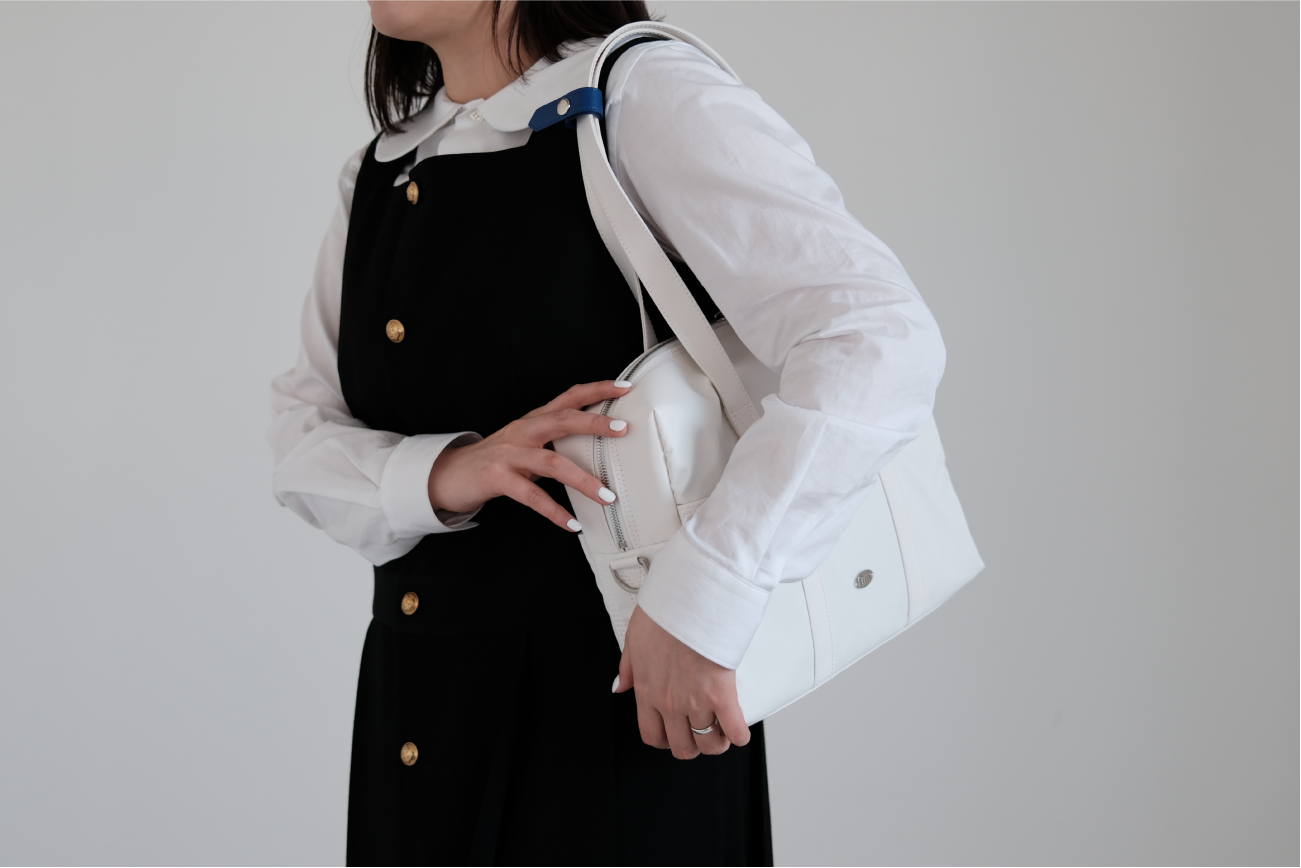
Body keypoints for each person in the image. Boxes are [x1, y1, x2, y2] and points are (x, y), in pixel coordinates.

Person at [268, 0, 945, 864]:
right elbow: (300, 438)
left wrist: (705, 599)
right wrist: (449, 471)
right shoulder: (382, 167)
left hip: (623, 715)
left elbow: (875, 338)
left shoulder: (638, 95)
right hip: (419, 722)